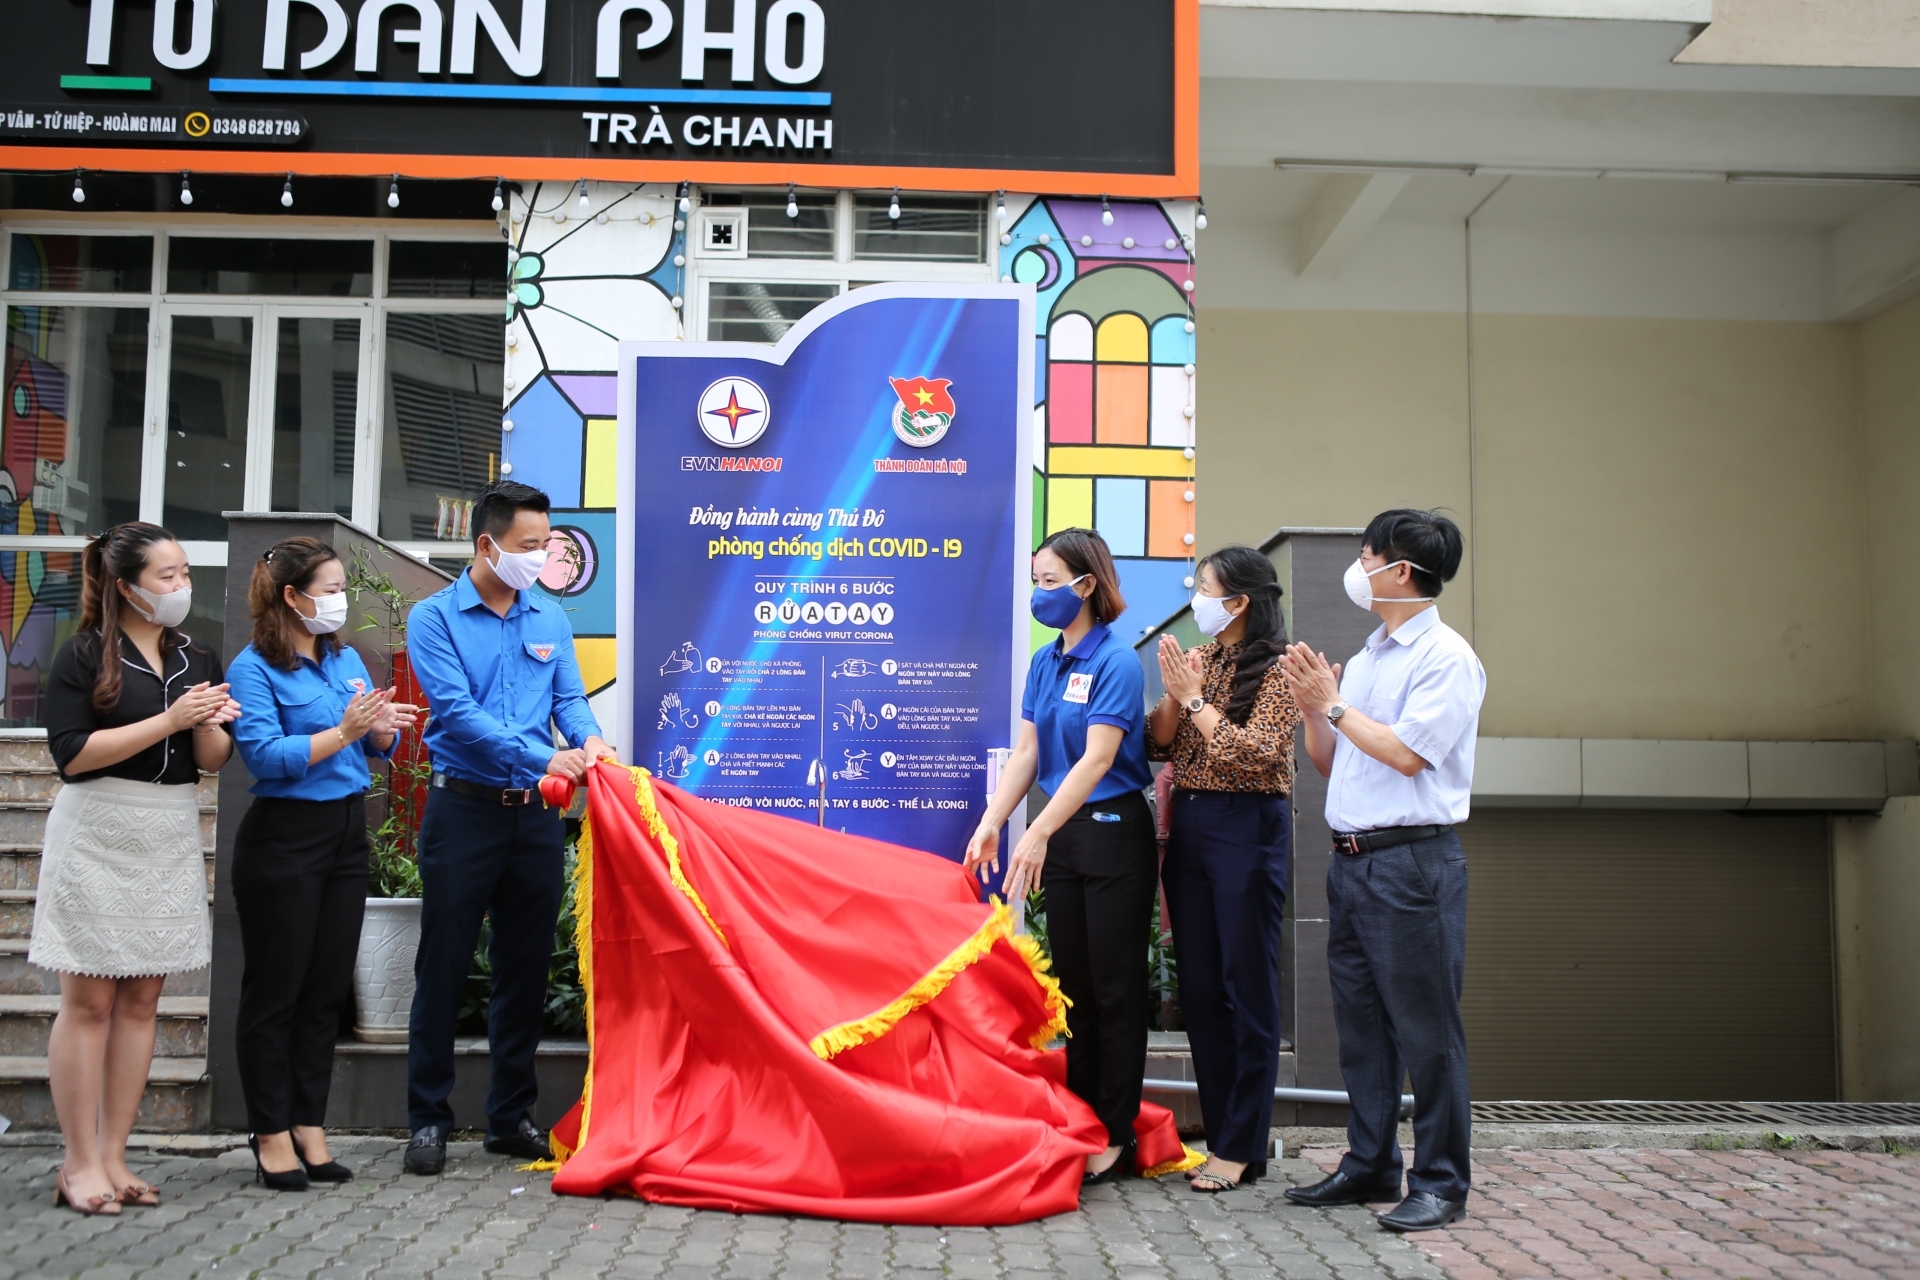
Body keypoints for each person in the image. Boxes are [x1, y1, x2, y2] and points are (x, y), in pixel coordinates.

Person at [1279, 509, 1484, 1233]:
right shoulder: (1367, 659)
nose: (1358, 567)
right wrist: (1314, 711)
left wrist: (1332, 704)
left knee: (1427, 1032)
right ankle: (1370, 1163)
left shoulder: (1446, 658)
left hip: (1413, 864)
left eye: (1366, 555)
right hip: (1354, 863)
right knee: (1361, 1027)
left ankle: (1441, 1182)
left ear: (1399, 570)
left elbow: (1406, 754)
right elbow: (1334, 760)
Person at [403, 481, 614, 1176]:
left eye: (546, 545)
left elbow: (571, 701)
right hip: (462, 811)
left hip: (533, 820)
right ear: (486, 544)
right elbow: (456, 714)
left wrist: (591, 744)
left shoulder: (549, 618)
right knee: (444, 964)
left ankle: (508, 1117)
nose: (540, 557)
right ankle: (428, 1120)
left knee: (522, 971)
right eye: (528, 547)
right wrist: (541, 753)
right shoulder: (433, 619)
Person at [32, 523, 239, 1215]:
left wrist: (208, 723)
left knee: (145, 999)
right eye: (167, 577)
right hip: (97, 827)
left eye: (185, 575)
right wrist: (172, 718)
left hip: (167, 826)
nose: (182, 588)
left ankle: (117, 1155)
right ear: (125, 586)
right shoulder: (82, 654)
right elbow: (71, 754)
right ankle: (79, 1161)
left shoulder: (197, 653)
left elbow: (211, 761)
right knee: (88, 1001)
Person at [225, 537, 419, 1190]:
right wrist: (344, 729)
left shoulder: (346, 659)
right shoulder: (254, 668)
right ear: (291, 595)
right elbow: (266, 756)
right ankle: (270, 1130)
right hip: (284, 836)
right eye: (329, 588)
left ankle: (310, 1125)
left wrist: (384, 729)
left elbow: (371, 749)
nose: (339, 600)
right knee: (276, 990)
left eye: (342, 588)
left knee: (326, 989)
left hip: (343, 833)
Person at [965, 527, 1157, 1185]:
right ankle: (1082, 1120)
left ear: (1087, 586)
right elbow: (1030, 754)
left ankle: (1117, 1133)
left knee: (1115, 990)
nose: (1039, 594)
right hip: (1065, 833)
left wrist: (1039, 831)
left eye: (1051, 582)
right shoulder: (1046, 662)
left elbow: (1099, 758)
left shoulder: (1118, 662)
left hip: (1111, 833)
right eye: (1036, 581)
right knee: (1073, 988)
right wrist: (996, 821)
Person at [1147, 546, 1300, 1193]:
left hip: (1250, 823)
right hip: (1194, 822)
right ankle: (1225, 1135)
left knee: (1247, 985)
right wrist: (1177, 699)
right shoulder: (1200, 659)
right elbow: (1160, 742)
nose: (1196, 599)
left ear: (1238, 601)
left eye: (1204, 588)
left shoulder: (1284, 670)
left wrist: (1197, 701)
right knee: (1204, 989)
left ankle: (1242, 1144)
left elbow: (1260, 757)